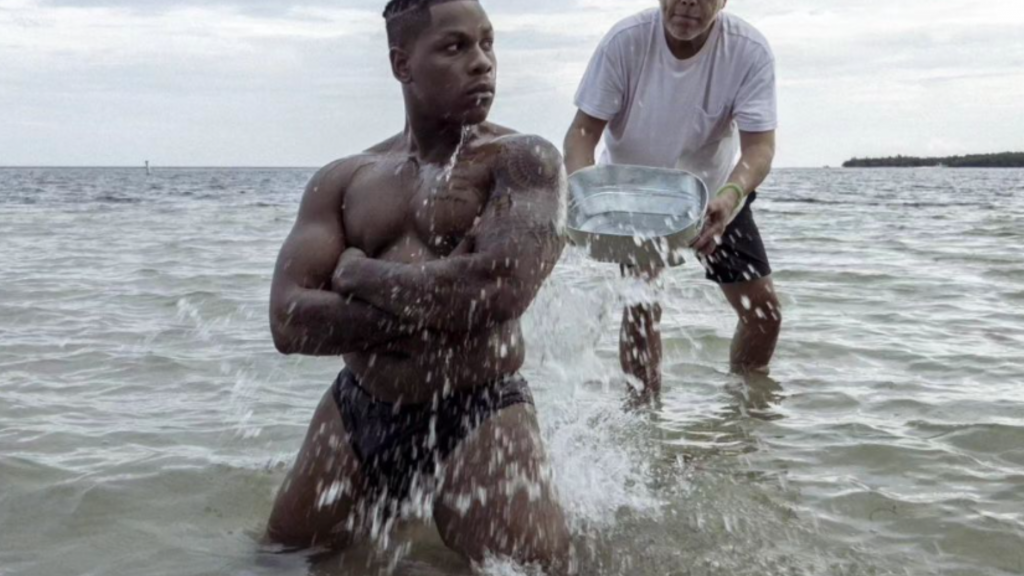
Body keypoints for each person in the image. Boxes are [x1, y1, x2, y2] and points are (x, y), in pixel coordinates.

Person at [264, 0, 571, 571]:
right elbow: (288, 321)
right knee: (279, 559)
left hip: (480, 409)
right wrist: (438, 307)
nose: (482, 63)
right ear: (402, 65)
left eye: (487, 43)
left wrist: (360, 275)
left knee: (538, 571)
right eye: (456, 47)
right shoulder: (345, 178)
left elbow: (498, 291)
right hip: (359, 408)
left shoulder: (524, 160)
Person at [563, 0, 782, 402]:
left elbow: (760, 148)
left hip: (716, 195)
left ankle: (744, 418)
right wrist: (586, 198)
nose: (687, 3)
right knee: (644, 311)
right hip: (635, 199)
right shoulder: (625, 41)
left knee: (763, 314)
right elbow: (581, 135)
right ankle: (644, 423)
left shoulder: (748, 49)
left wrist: (731, 196)